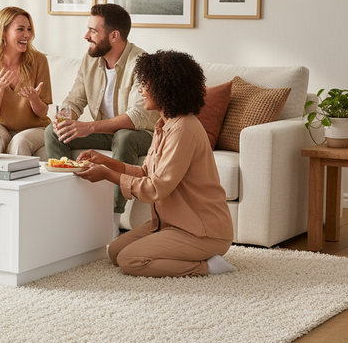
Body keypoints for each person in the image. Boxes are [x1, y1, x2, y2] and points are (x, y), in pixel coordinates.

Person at [76, 50, 236, 277]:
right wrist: (106, 162)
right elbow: (145, 172)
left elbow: (156, 188)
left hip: (202, 231)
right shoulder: (164, 125)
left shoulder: (183, 130)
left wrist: (106, 174)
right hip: (171, 225)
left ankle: (209, 267)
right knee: (115, 252)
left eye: (145, 84)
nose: (140, 90)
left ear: (164, 88)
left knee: (130, 260)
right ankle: (190, 255)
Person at [44, 4, 159, 231]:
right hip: (105, 133)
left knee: (124, 137)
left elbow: (136, 117)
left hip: (141, 134)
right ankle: (64, 204)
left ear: (114, 36)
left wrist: (89, 127)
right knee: (53, 133)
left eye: (93, 31)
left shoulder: (141, 63)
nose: (86, 36)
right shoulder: (90, 60)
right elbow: (75, 100)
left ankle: (113, 220)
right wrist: (63, 119)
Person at [0, 6, 52, 155]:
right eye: (20, 29)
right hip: (0, 126)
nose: (27, 35)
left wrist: (34, 99)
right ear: (3, 32)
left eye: (29, 29)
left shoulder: (39, 61)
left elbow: (42, 113)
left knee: (19, 141)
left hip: (35, 128)